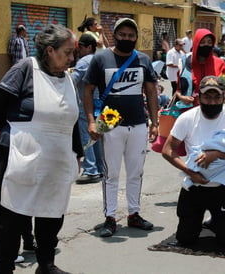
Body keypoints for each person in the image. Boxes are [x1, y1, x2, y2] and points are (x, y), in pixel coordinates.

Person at [0, 24, 82, 274]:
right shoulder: (26, 69)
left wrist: (78, 152)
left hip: (57, 159)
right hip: (22, 157)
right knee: (11, 217)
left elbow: (70, 121)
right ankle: (4, 268)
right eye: (68, 52)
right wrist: (16, 135)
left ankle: (46, 265)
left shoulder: (68, 79)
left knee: (51, 214)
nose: (72, 58)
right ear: (50, 50)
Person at [83, 18, 159, 237]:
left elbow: (152, 92)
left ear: (136, 37)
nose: (127, 38)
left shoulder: (143, 59)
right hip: (108, 123)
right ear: (115, 35)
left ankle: (134, 213)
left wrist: (155, 123)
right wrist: (90, 121)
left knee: (136, 172)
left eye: (131, 35)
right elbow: (87, 90)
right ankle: (110, 217)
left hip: (138, 123)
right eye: (122, 35)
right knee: (111, 173)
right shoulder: (101, 58)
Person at [162, 75, 225, 248]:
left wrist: (217, 154)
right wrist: (190, 172)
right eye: (207, 97)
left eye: (217, 97)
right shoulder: (187, 118)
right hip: (195, 186)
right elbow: (167, 150)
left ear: (224, 96)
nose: (212, 102)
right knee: (185, 239)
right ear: (199, 97)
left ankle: (218, 220)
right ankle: (203, 220)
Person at [72, 33, 104, 184]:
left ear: (88, 47)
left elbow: (73, 81)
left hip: (87, 103)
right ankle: (100, 168)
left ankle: (91, 170)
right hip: (101, 103)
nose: (78, 50)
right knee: (97, 137)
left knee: (87, 136)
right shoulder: (100, 59)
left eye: (81, 47)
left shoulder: (84, 61)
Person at [175, 28, 225, 107]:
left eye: (209, 42)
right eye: (202, 42)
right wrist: (182, 97)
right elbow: (178, 90)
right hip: (190, 111)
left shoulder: (220, 63)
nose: (206, 45)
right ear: (196, 44)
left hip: (213, 110)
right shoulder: (185, 63)